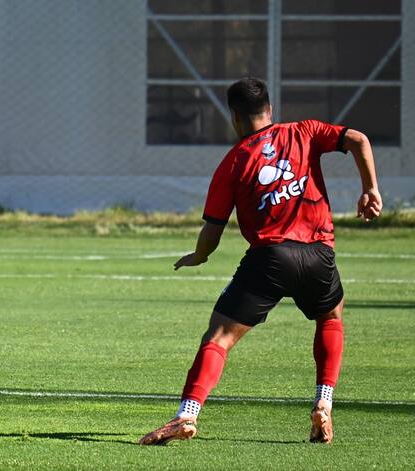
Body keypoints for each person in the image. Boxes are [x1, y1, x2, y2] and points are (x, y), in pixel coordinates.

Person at [138, 77, 382, 445]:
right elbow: (359, 139)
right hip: (319, 255)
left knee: (218, 337)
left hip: (270, 258)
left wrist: (199, 256)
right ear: (269, 108)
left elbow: (213, 230)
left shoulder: (234, 161)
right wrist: (370, 189)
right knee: (331, 317)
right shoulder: (305, 131)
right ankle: (323, 404)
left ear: (234, 116)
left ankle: (187, 414)